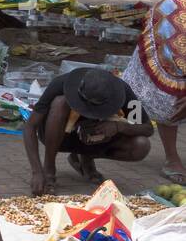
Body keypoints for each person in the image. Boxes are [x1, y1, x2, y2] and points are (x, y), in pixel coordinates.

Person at [23, 66, 152, 195]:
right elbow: (30, 126)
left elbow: (148, 128)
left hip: (96, 138)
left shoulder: (123, 91)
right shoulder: (61, 83)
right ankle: (49, 169)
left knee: (141, 145)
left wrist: (118, 126)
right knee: (60, 102)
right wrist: (37, 171)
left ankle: (85, 158)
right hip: (60, 137)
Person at [121, 0, 186, 184]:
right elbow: (176, 56)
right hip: (169, 35)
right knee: (168, 99)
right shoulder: (177, 17)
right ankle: (171, 158)